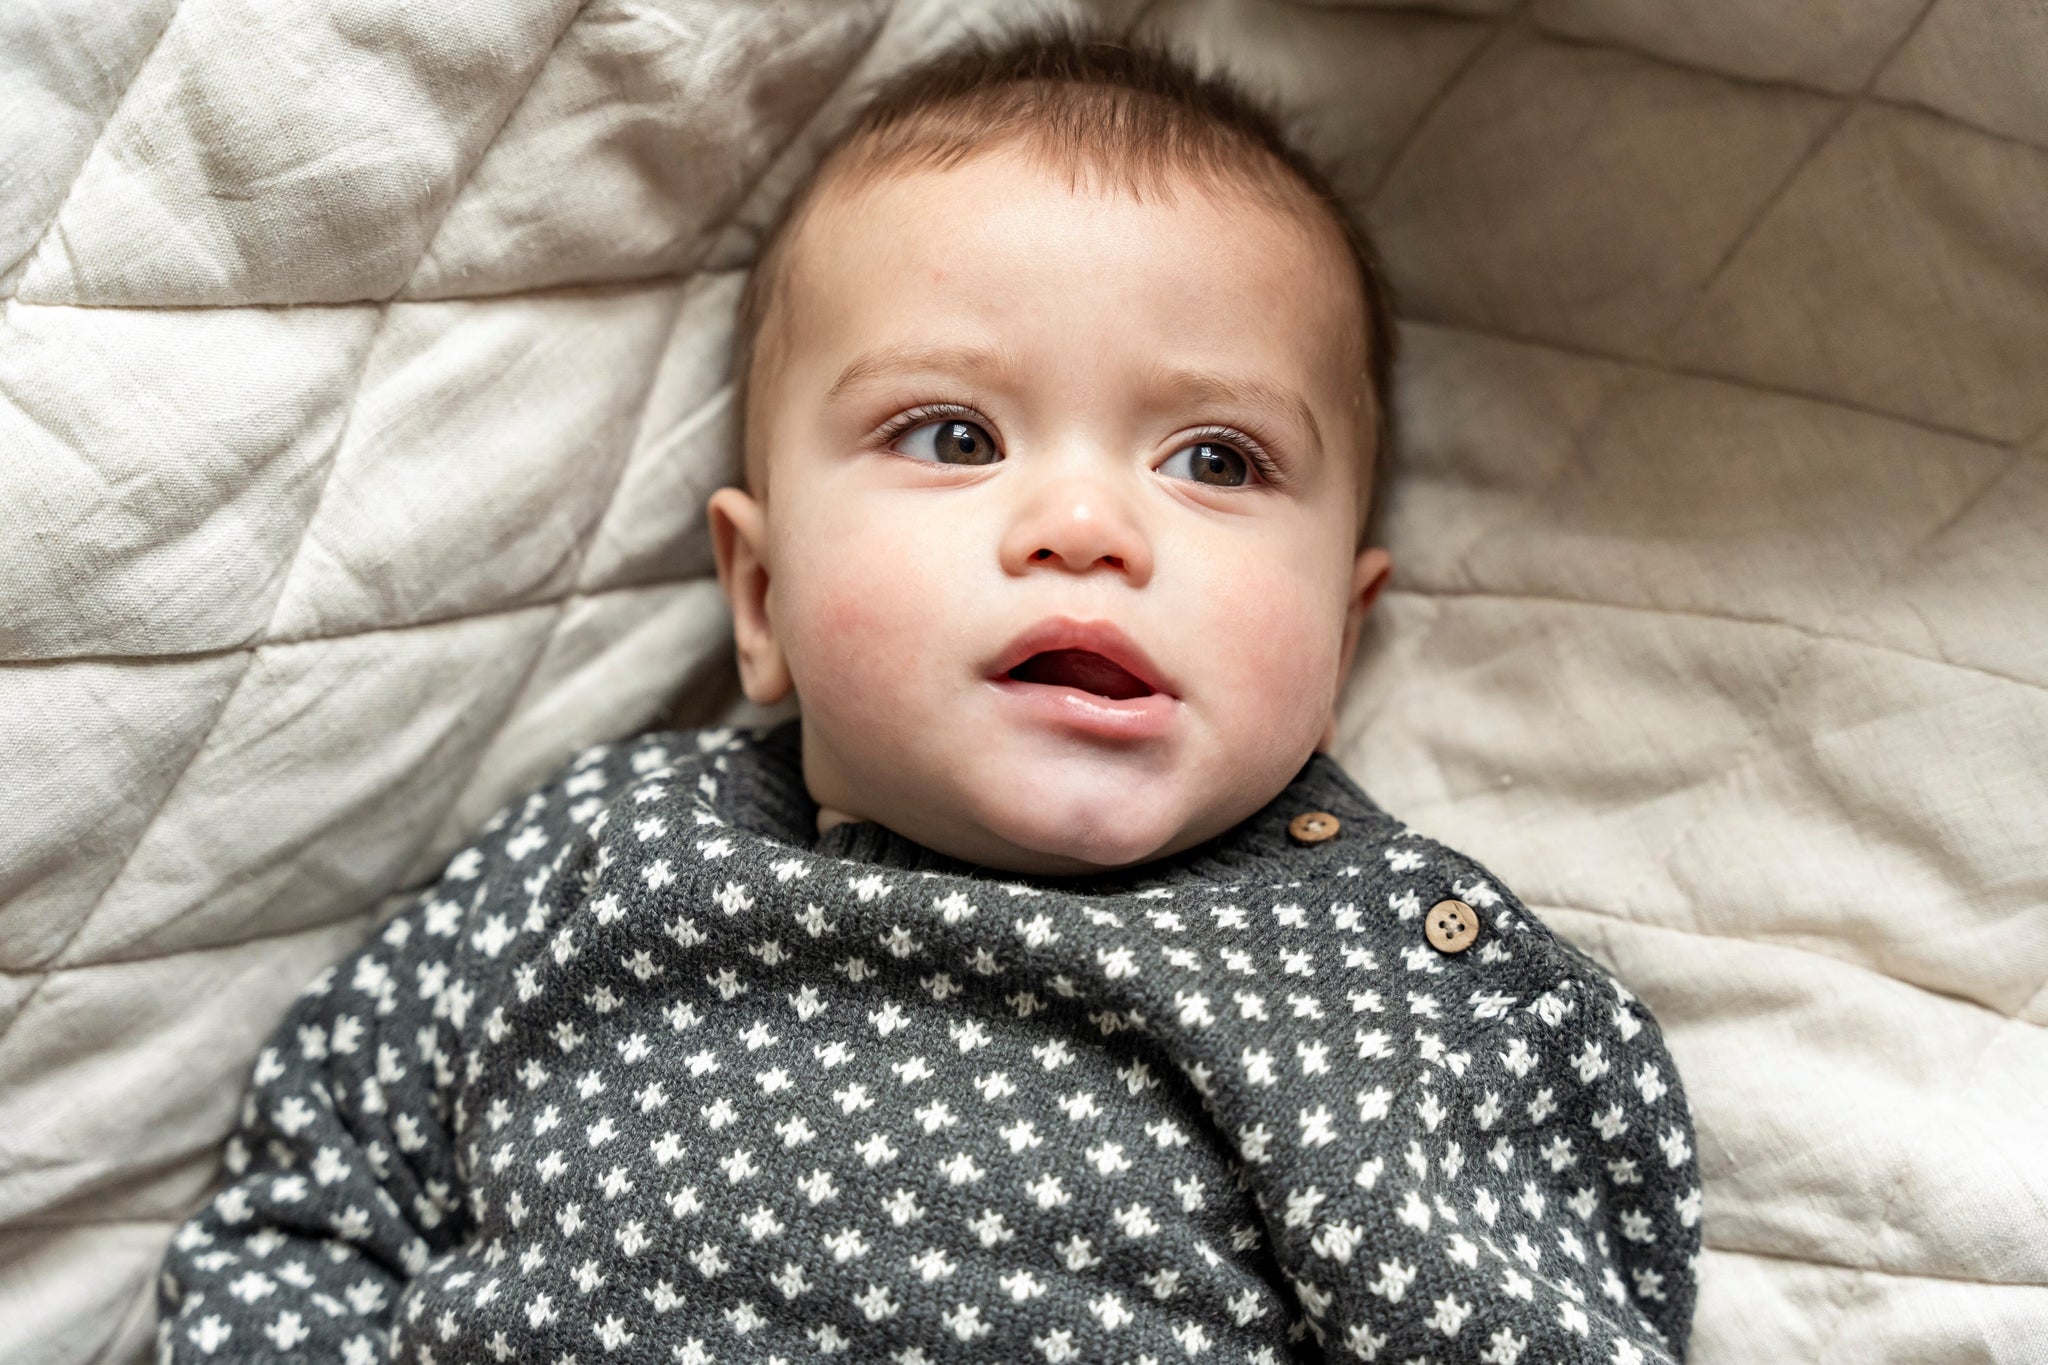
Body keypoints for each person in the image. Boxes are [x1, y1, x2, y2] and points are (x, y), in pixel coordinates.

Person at [157, 22, 1700, 1364]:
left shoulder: (1388, 992)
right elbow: (310, 1202)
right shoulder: (603, 849)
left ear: (1341, 639)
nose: (1087, 527)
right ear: (758, 602)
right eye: (955, 436)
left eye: (1215, 459)